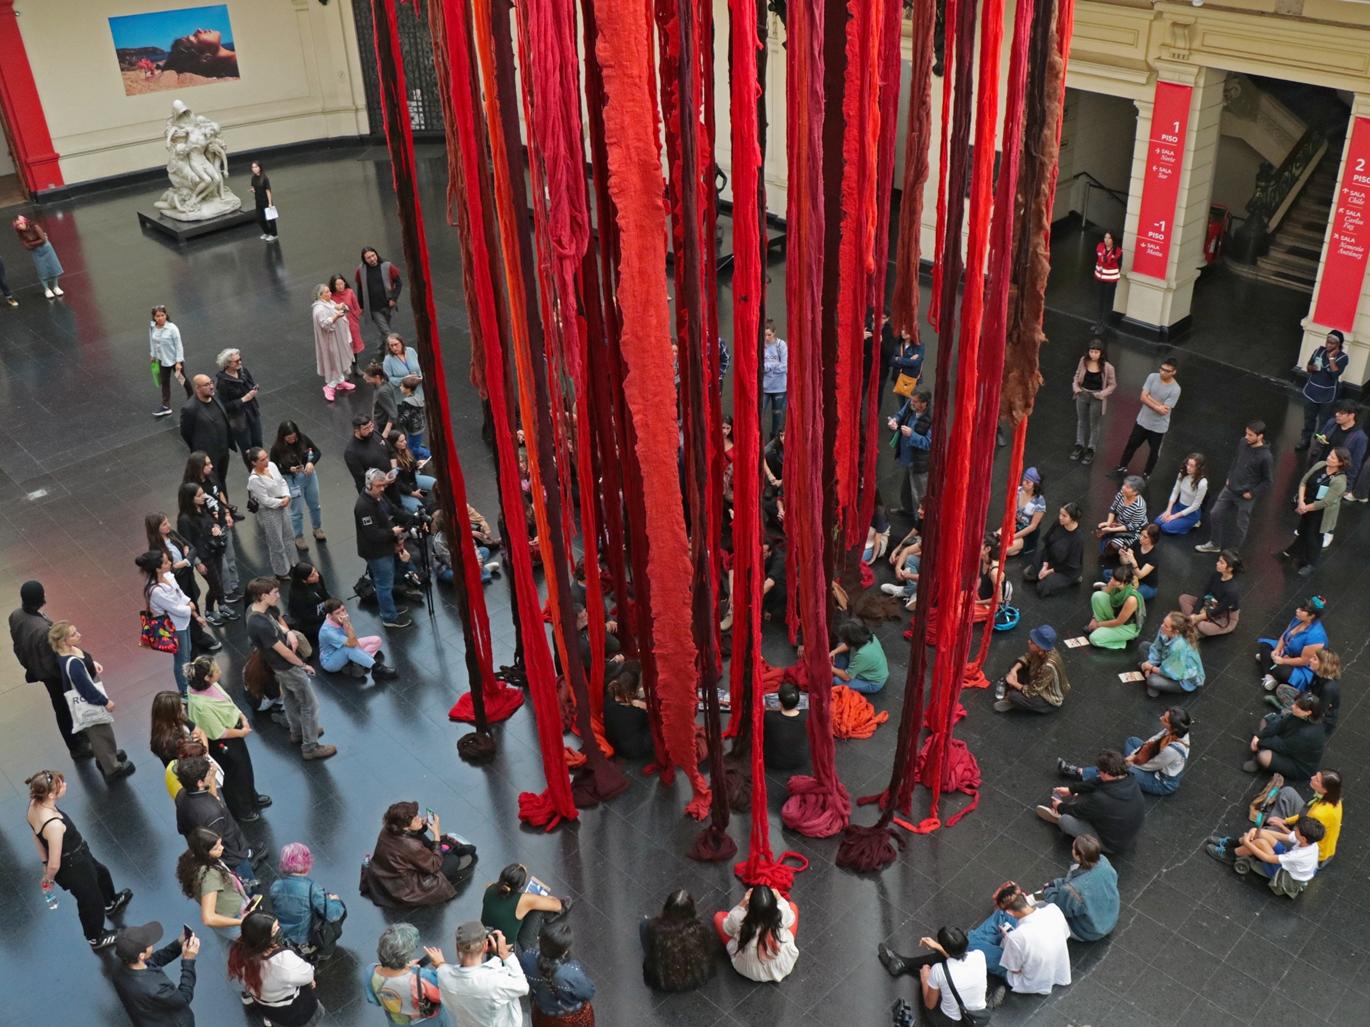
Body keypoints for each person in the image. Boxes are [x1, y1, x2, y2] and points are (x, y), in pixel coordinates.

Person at [25, 769, 132, 949]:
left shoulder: (34, 805)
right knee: (90, 901)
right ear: (50, 795)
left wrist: (44, 862)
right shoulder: (54, 825)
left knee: (101, 873)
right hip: (74, 866)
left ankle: (110, 903)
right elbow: (55, 863)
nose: (65, 785)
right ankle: (95, 937)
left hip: (80, 854)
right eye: (61, 785)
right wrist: (48, 878)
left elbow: (35, 835)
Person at [245, 577, 336, 759]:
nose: (278, 595)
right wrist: (303, 665)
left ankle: (298, 731)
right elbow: (283, 652)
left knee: (290, 698)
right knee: (309, 704)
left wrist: (288, 632)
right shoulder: (259, 623)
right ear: (263, 596)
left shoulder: (257, 610)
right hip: (286, 666)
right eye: (274, 593)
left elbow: (276, 622)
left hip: (279, 666)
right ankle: (310, 747)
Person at [10, 580, 91, 758]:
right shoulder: (42, 630)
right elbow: (50, 662)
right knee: (63, 707)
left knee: (61, 706)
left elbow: (18, 645)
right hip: (51, 675)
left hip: (36, 667)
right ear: (40, 599)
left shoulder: (15, 615)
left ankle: (78, 738)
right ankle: (76, 746)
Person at [185, 657, 269, 820]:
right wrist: (241, 732)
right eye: (216, 670)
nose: (220, 671)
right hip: (223, 741)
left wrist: (241, 717)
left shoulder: (211, 684)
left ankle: (251, 796)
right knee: (233, 775)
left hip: (234, 731)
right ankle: (242, 810)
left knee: (244, 768)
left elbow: (227, 701)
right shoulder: (201, 705)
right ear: (207, 677)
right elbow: (218, 732)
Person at [49, 620, 134, 781]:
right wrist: (105, 701)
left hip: (87, 696)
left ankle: (106, 756)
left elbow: (82, 663)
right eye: (74, 634)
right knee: (100, 733)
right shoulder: (73, 664)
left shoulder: (66, 651)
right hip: (90, 702)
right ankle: (112, 768)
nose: (79, 635)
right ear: (64, 641)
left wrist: (90, 664)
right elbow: (86, 689)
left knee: (99, 733)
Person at [362, 801, 478, 908]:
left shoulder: (388, 830)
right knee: (454, 860)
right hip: (407, 887)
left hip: (389, 876)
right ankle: (445, 853)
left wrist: (422, 825)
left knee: (423, 838)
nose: (419, 818)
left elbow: (412, 837)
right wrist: (436, 835)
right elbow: (434, 866)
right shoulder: (411, 845)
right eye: (415, 818)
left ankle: (438, 851)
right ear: (405, 826)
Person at [1059, 707, 1192, 796]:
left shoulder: (1173, 750)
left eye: (1165, 719)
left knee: (1119, 770)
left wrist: (1126, 763)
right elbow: (1151, 741)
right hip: (1154, 759)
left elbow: (1150, 766)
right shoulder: (1173, 731)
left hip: (1160, 781)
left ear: (1173, 727)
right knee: (1132, 741)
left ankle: (1081, 772)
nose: (1161, 718)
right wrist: (1133, 756)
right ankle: (1120, 773)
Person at [1036, 749, 1146, 854]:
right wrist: (1071, 790)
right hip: (1126, 836)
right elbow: (1098, 781)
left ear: (1107, 773)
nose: (1098, 773)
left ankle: (1057, 818)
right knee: (1087, 796)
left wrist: (1060, 806)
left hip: (1110, 844)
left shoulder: (1103, 799)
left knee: (1065, 820)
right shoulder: (1129, 779)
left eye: (1099, 771)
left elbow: (1077, 811)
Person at [174, 756, 261, 886]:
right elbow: (219, 842)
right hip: (232, 856)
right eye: (208, 773)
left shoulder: (181, 795)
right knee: (247, 885)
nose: (211, 773)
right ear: (200, 782)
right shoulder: (213, 813)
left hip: (205, 848)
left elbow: (182, 828)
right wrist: (237, 854)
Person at [877, 927, 988, 1026]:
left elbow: (930, 1004)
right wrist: (938, 947)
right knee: (944, 963)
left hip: (950, 1022)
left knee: (934, 971)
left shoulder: (938, 970)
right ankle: (903, 963)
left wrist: (925, 978)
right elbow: (956, 957)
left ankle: (903, 964)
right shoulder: (979, 955)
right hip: (976, 1018)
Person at [229, 911, 324, 1026]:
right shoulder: (283, 961)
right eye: (274, 930)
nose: (279, 930)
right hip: (294, 1010)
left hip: (267, 1006)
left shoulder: (238, 954)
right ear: (263, 938)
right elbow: (307, 975)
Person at [429, 921, 528, 1027]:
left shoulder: (444, 976)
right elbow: (524, 987)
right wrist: (505, 954)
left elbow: (442, 968)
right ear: (485, 946)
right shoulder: (496, 982)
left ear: (457, 947)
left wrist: (440, 963)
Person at [1195, 421, 1274, 553]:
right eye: (1246, 433)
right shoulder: (1243, 442)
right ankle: (1215, 544)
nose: (1246, 437)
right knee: (1215, 514)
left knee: (1240, 525)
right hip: (1230, 488)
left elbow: (1268, 481)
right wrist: (1229, 476)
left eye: (1250, 435)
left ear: (1260, 436)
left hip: (1246, 496)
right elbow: (1236, 460)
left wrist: (1252, 493)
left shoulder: (1266, 457)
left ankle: (1234, 552)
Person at [135, 549, 203, 697]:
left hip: (182, 623)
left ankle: (187, 685)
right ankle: (185, 692)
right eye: (166, 562)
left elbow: (179, 593)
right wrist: (190, 608)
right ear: (157, 568)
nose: (170, 563)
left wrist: (188, 604)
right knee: (181, 660)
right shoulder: (156, 590)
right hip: (175, 627)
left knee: (187, 653)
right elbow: (175, 609)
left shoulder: (167, 576)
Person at [988, 891, 1072, 1007]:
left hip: (1028, 982)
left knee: (975, 941)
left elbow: (1015, 970)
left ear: (1009, 912)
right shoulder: (1054, 909)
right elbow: (1066, 935)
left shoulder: (1016, 937)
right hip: (1058, 971)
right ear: (1024, 897)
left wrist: (1009, 941)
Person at [356, 468, 416, 629]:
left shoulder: (379, 497)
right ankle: (389, 617)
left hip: (386, 546)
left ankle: (389, 608)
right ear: (369, 485)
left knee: (387, 581)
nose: (383, 489)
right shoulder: (363, 507)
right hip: (376, 552)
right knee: (384, 584)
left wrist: (413, 518)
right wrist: (393, 532)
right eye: (379, 486)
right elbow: (372, 534)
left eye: (384, 485)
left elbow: (394, 511)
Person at [112, 920, 200, 1027]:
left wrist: (178, 944)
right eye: (149, 943)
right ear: (141, 955)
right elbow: (184, 998)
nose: (152, 943)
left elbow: (154, 960)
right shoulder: (156, 988)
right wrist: (188, 960)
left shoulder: (120, 964)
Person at [269, 843, 346, 959]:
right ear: (307, 864)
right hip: (305, 939)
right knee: (337, 910)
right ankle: (324, 952)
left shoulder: (275, 886)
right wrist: (336, 901)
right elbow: (333, 914)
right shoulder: (311, 888)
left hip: (284, 936)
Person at [1215, 818, 1325, 898]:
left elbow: (1267, 858)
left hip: (1284, 876)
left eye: (1297, 830)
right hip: (1290, 864)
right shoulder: (1309, 842)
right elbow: (1283, 836)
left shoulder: (1299, 855)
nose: (1295, 829)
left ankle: (1229, 855)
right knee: (1262, 834)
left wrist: (1248, 842)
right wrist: (1257, 831)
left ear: (1303, 838)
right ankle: (1233, 843)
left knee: (1260, 843)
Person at [365, 922, 449, 1024]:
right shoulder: (422, 978)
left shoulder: (370, 971)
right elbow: (444, 994)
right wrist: (441, 965)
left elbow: (374, 1000)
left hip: (397, 1022)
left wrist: (407, 968)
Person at [183, 451, 241, 601]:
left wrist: (227, 512)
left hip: (222, 522)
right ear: (198, 467)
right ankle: (226, 591)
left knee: (231, 558)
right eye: (207, 464)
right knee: (222, 565)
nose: (211, 466)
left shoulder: (211, 476)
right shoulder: (191, 488)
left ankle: (234, 585)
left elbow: (220, 493)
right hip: (211, 530)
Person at [1040, 835, 1119, 942]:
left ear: (1078, 856)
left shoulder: (1073, 890)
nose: (1071, 850)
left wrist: (1048, 890)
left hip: (1088, 931)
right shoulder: (1104, 862)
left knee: (1042, 904)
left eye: (1073, 848)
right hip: (1109, 919)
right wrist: (1057, 884)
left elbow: (1059, 908)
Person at [1283, 447, 1349, 575]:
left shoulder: (1340, 481)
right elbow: (1304, 482)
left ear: (1340, 462)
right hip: (1306, 504)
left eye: (1333, 457)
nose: (1328, 457)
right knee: (1303, 530)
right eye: (1330, 455)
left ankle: (1311, 563)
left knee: (1315, 537)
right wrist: (1301, 501)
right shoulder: (1320, 465)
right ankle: (1294, 551)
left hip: (1321, 513)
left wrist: (1305, 507)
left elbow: (1325, 502)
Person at [715, 885, 799, 982]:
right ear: (774, 906)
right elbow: (790, 918)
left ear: (750, 905)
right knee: (793, 907)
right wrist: (779, 898)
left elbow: (727, 929)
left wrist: (742, 903)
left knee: (718, 917)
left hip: (749, 969)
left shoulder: (738, 918)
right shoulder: (782, 913)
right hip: (782, 965)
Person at [520, 920, 596, 1026]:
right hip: (572, 1018)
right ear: (564, 951)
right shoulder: (572, 972)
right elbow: (588, 992)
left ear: (540, 940)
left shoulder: (527, 958)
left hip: (544, 1014)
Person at [176, 482, 230, 627]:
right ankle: (210, 610)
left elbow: (213, 521)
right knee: (215, 584)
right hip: (204, 557)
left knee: (218, 582)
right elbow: (187, 543)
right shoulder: (184, 520)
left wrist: (216, 527)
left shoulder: (202, 508)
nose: (204, 497)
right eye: (199, 495)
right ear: (190, 498)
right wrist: (198, 563)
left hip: (214, 550)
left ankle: (221, 606)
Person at [176, 828, 251, 933]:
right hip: (234, 918)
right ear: (204, 852)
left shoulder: (193, 858)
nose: (222, 848)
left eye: (220, 844)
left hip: (229, 912)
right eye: (216, 848)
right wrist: (241, 922)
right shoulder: (209, 875)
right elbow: (208, 918)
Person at [1115, 357, 1180, 478]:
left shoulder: (1175, 389)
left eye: (1167, 371)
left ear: (1174, 372)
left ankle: (1146, 474)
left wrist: (1149, 398)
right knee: (1131, 445)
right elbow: (1142, 398)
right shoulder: (1152, 377)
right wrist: (1157, 404)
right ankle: (1122, 466)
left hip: (1158, 427)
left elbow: (1164, 410)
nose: (1163, 372)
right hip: (1142, 421)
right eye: (1162, 369)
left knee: (1154, 452)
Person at [639, 889, 715, 993]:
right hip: (692, 976)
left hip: (664, 979)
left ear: (667, 908)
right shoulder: (700, 928)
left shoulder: (655, 928)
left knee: (643, 925)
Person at [481, 863, 568, 953]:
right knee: (538, 910)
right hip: (511, 949)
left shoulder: (490, 887)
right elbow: (557, 905)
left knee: (526, 908)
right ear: (521, 886)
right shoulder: (523, 900)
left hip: (488, 937)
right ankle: (551, 923)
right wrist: (544, 898)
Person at [270, 420, 326, 550]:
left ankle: (317, 528)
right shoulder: (277, 449)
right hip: (292, 480)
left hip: (309, 475)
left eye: (294, 437)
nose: (292, 440)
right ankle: (298, 536)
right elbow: (274, 469)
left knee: (315, 505)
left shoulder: (303, 439)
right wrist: (289, 470)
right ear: (282, 437)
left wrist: (311, 463)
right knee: (297, 510)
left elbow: (317, 452)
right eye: (289, 438)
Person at [1256, 595, 1328, 693]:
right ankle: (1269, 676)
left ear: (1312, 616)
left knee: (1280, 670)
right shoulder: (1299, 619)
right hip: (1288, 651)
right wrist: (1278, 649)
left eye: (1302, 610)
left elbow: (1304, 661)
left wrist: (1283, 661)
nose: (1297, 610)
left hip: (1303, 667)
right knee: (1265, 645)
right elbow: (1285, 635)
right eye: (1299, 608)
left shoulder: (1316, 636)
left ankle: (1269, 664)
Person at [1245, 695, 1327, 780]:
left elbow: (1282, 746)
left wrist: (1258, 742)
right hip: (1289, 743)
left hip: (1297, 764)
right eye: (1295, 703)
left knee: (1263, 756)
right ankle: (1260, 752)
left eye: (1297, 706)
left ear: (1308, 712)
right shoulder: (1301, 715)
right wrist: (1259, 735)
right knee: (1266, 721)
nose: (1292, 706)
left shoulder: (1307, 734)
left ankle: (1258, 758)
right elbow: (1280, 725)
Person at [992, 623, 1069, 714]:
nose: (1029, 642)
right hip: (1036, 680)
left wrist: (1014, 683)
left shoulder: (1048, 667)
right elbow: (1027, 657)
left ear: (1040, 647)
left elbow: (1032, 691)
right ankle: (1016, 694)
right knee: (1014, 666)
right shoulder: (1043, 650)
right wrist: (1014, 671)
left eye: (1032, 642)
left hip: (1047, 698)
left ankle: (1014, 700)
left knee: (1014, 696)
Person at [245, 446, 296, 578]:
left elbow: (282, 481)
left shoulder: (272, 466)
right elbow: (265, 500)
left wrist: (287, 495)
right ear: (254, 462)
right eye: (262, 460)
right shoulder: (254, 479)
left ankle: (293, 564)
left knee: (289, 536)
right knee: (276, 542)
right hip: (269, 512)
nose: (266, 461)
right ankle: (281, 571)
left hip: (282, 504)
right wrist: (281, 502)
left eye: (266, 457)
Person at [318, 598, 398, 680]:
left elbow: (352, 638)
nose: (343, 614)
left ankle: (357, 662)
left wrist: (347, 625)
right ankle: (377, 668)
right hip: (330, 661)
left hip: (346, 644)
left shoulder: (341, 618)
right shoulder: (328, 632)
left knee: (377, 640)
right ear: (330, 615)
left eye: (343, 610)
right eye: (337, 613)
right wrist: (347, 623)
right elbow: (352, 643)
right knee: (349, 648)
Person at [180, 375, 235, 492]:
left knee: (222, 480)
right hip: (208, 454)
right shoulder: (190, 408)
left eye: (211, 383)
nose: (211, 386)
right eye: (206, 385)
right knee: (213, 482)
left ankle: (225, 501)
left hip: (223, 450)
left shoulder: (216, 397)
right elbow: (186, 432)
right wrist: (199, 447)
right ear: (197, 388)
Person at [1267, 648, 1341, 733]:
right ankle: (1287, 709)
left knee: (1288, 716)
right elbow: (1309, 691)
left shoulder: (1328, 688)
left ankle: (1284, 710)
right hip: (1310, 702)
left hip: (1318, 719)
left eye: (1315, 659)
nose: (1310, 660)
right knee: (1281, 689)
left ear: (1323, 664)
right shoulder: (1317, 674)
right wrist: (1299, 701)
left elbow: (1319, 714)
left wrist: (1299, 709)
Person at [1298, 329, 1349, 450]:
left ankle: (1318, 445)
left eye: (1332, 343)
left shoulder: (1343, 358)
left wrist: (1331, 358)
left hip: (1327, 395)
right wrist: (1312, 368)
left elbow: (1335, 374)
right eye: (1327, 341)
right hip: (1312, 390)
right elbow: (1309, 367)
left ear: (1338, 345)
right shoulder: (1319, 351)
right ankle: (1305, 439)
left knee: (1324, 422)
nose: (1328, 345)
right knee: (1309, 418)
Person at [1310, 399, 1367, 500]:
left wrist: (1348, 486)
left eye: (1341, 413)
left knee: (1323, 500)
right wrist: (1320, 439)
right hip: (1321, 466)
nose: (1337, 414)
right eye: (1337, 411)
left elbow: (1355, 464)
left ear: (1351, 415)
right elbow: (1319, 436)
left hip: (1335, 475)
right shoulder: (1331, 423)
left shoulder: (1360, 438)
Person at [1023, 503, 1083, 597]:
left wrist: (1049, 571)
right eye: (1060, 514)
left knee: (1041, 587)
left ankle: (1073, 580)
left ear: (1072, 518)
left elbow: (1071, 564)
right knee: (1028, 575)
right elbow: (1047, 543)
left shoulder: (1078, 538)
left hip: (1064, 569)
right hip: (1051, 557)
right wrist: (1045, 564)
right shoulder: (1058, 523)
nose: (1060, 517)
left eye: (1064, 516)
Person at [1070, 338, 1115, 464]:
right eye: (1091, 351)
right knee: (1081, 421)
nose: (1093, 354)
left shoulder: (1108, 367)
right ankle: (1079, 445)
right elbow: (1077, 375)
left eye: (1096, 352)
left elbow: (1112, 385)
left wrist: (1101, 394)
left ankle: (1091, 449)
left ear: (1101, 353)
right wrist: (1076, 388)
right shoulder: (1083, 361)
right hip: (1083, 394)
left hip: (1096, 397)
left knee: (1094, 424)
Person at [1139, 611, 1205, 697]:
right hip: (1168, 660)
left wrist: (1150, 667)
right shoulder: (1164, 629)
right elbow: (1157, 648)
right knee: (1143, 646)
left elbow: (1171, 673)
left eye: (1166, 626)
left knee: (1152, 680)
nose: (1162, 626)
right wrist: (1150, 664)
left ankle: (1152, 680)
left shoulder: (1179, 646)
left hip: (1182, 678)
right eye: (1163, 622)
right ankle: (1151, 676)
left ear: (1176, 632)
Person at [1179, 549, 1242, 638]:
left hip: (1224, 615)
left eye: (1221, 562)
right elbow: (1204, 593)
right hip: (1210, 603)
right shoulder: (1216, 575)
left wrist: (1196, 618)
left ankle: (1194, 626)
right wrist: (1194, 613)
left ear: (1230, 568)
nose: (1217, 563)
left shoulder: (1232, 590)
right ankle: (1194, 627)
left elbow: (1219, 610)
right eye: (1218, 561)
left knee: (1203, 626)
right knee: (1183, 598)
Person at [214, 348, 263, 462]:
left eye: (240, 359)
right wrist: (244, 399)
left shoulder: (243, 371)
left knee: (258, 443)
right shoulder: (223, 382)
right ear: (227, 364)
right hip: (238, 419)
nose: (239, 362)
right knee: (247, 448)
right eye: (236, 361)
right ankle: (252, 469)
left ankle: (261, 466)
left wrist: (254, 389)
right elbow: (225, 406)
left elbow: (251, 384)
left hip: (252, 412)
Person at [889, 389, 933, 514]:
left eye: (915, 402)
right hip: (908, 457)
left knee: (918, 493)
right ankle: (907, 509)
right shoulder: (911, 404)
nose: (911, 403)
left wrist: (912, 435)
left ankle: (918, 520)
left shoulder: (931, 419)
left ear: (924, 404)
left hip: (918, 462)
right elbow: (900, 414)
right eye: (911, 400)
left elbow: (929, 443)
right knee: (907, 488)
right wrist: (894, 421)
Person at [312, 283, 356, 401]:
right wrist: (335, 317)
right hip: (330, 340)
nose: (330, 293)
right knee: (334, 360)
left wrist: (340, 307)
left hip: (337, 337)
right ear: (320, 295)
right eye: (327, 292)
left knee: (338, 359)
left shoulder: (329, 303)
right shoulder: (319, 309)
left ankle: (340, 381)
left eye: (329, 291)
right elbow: (324, 324)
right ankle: (330, 386)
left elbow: (336, 308)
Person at [356, 247, 405, 353]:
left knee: (384, 328)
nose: (372, 259)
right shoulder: (361, 270)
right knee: (386, 331)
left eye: (373, 255)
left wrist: (394, 298)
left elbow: (399, 283)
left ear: (376, 254)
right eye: (368, 258)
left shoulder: (387, 266)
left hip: (387, 304)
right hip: (373, 307)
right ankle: (396, 350)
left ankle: (380, 347)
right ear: (364, 260)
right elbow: (360, 288)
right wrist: (361, 306)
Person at [1086, 564, 1146, 650]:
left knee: (1094, 639)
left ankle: (1121, 641)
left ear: (1125, 583)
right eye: (1113, 577)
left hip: (1126, 626)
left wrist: (1098, 625)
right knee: (1097, 596)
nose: (1112, 580)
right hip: (1115, 615)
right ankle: (1104, 628)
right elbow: (1102, 597)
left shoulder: (1131, 599)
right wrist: (1094, 618)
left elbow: (1119, 622)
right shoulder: (1114, 584)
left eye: (1116, 580)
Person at [149, 305, 191, 418]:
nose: (160, 318)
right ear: (154, 317)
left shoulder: (172, 328)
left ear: (166, 315)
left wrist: (178, 362)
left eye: (162, 315)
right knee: (165, 382)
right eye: (158, 316)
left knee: (181, 379)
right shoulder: (152, 327)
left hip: (174, 361)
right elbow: (152, 341)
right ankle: (166, 406)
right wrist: (153, 355)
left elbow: (179, 345)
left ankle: (192, 397)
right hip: (162, 360)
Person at [829, 618, 889, 695]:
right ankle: (841, 671)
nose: (844, 641)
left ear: (851, 640)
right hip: (864, 666)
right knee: (839, 647)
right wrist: (834, 652)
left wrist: (830, 667)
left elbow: (847, 677)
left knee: (836, 681)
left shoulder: (863, 654)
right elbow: (847, 645)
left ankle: (840, 671)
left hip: (872, 683)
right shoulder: (869, 636)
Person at [603, 668, 652, 759]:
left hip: (615, 746)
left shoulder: (607, 701)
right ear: (632, 691)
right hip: (634, 752)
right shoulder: (637, 713)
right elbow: (650, 716)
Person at [1095, 475, 1148, 558]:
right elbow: (1113, 509)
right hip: (1119, 522)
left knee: (1113, 546)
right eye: (1124, 485)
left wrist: (1111, 529)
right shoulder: (1122, 493)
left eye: (1127, 487)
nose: (1123, 488)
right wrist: (1108, 523)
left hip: (1132, 530)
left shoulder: (1140, 506)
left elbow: (1132, 526)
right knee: (1099, 529)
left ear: (1135, 492)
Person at [12, 214, 63, 298]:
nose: (19, 226)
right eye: (17, 225)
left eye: (20, 223)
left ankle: (56, 287)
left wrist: (31, 243)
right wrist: (35, 243)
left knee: (53, 267)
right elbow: (26, 246)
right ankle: (47, 289)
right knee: (41, 270)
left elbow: (43, 240)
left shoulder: (35, 227)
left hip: (46, 249)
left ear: (24, 221)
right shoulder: (20, 233)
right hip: (36, 252)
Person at [763, 681, 809, 771]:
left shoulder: (769, 717)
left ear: (780, 701)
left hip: (773, 762)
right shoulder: (807, 716)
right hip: (800, 760)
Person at [1001, 467, 1047, 558]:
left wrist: (1013, 537)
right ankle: (1014, 549)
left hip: (1027, 533)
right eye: (1024, 480)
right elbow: (1010, 511)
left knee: (1003, 549)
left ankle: (1020, 549)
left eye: (1028, 482)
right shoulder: (1018, 491)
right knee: (994, 541)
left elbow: (1032, 526)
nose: (1024, 483)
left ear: (1035, 484)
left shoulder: (1040, 502)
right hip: (1014, 525)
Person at [1158, 453, 1208, 535]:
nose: (1188, 467)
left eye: (1192, 466)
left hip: (1191, 513)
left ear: (1199, 468)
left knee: (1165, 527)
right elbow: (1175, 492)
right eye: (1187, 464)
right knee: (1158, 522)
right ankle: (1179, 522)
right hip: (1179, 506)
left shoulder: (1203, 483)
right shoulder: (1182, 474)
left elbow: (1195, 506)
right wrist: (1168, 510)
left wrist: (1174, 516)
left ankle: (1191, 524)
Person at [285, 562, 331, 647]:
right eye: (312, 575)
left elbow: (325, 594)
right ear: (304, 580)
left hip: (322, 612)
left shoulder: (318, 578)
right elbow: (306, 617)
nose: (317, 575)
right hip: (310, 623)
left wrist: (333, 608)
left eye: (315, 571)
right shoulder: (298, 596)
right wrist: (327, 617)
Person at [346, 415, 396, 492]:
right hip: (375, 491)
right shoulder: (351, 452)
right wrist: (384, 482)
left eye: (371, 425)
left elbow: (391, 451)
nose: (370, 430)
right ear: (356, 430)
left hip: (391, 483)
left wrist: (394, 470)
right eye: (366, 428)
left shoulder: (374, 433)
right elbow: (361, 477)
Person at [329, 273, 365, 374]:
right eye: (337, 284)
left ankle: (356, 367)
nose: (340, 286)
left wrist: (356, 319)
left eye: (341, 283)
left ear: (344, 283)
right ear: (333, 286)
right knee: (343, 347)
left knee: (353, 345)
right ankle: (346, 370)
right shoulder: (331, 297)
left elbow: (356, 307)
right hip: (339, 325)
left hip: (352, 324)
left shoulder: (350, 292)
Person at [1116, 522, 1161, 600]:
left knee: (1131, 596)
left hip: (1147, 585)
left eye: (1145, 537)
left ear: (1152, 539)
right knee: (1109, 573)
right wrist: (1122, 556)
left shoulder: (1154, 556)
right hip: (1133, 577)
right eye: (1141, 534)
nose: (1141, 538)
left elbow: (1140, 575)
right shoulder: (1137, 543)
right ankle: (1122, 589)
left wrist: (1134, 562)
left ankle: (1122, 591)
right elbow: (1124, 563)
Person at [761, 320, 788, 437]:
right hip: (764, 388)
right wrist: (774, 365)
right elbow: (759, 366)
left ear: (774, 333)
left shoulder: (781, 345)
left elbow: (785, 366)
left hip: (779, 388)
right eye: (764, 335)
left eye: (769, 335)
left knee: (777, 419)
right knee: (758, 415)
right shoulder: (760, 345)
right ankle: (758, 441)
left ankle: (775, 442)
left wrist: (767, 368)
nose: (767, 338)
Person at [1092, 231, 1122, 332]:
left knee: (1107, 302)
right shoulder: (1100, 246)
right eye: (1105, 237)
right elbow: (1098, 259)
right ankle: (1098, 322)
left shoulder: (1117, 251)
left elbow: (1118, 265)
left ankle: (1103, 324)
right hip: (1099, 278)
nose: (1106, 240)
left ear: (1113, 240)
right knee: (1099, 300)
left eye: (1109, 238)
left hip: (1110, 280)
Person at [249, 160, 277, 241]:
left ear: (260, 168)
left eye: (256, 167)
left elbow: (268, 191)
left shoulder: (264, 178)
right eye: (253, 167)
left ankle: (274, 234)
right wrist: (253, 190)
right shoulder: (253, 178)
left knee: (271, 219)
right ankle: (267, 232)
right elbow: (254, 187)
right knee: (259, 219)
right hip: (258, 201)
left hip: (266, 201)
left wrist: (270, 203)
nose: (254, 169)